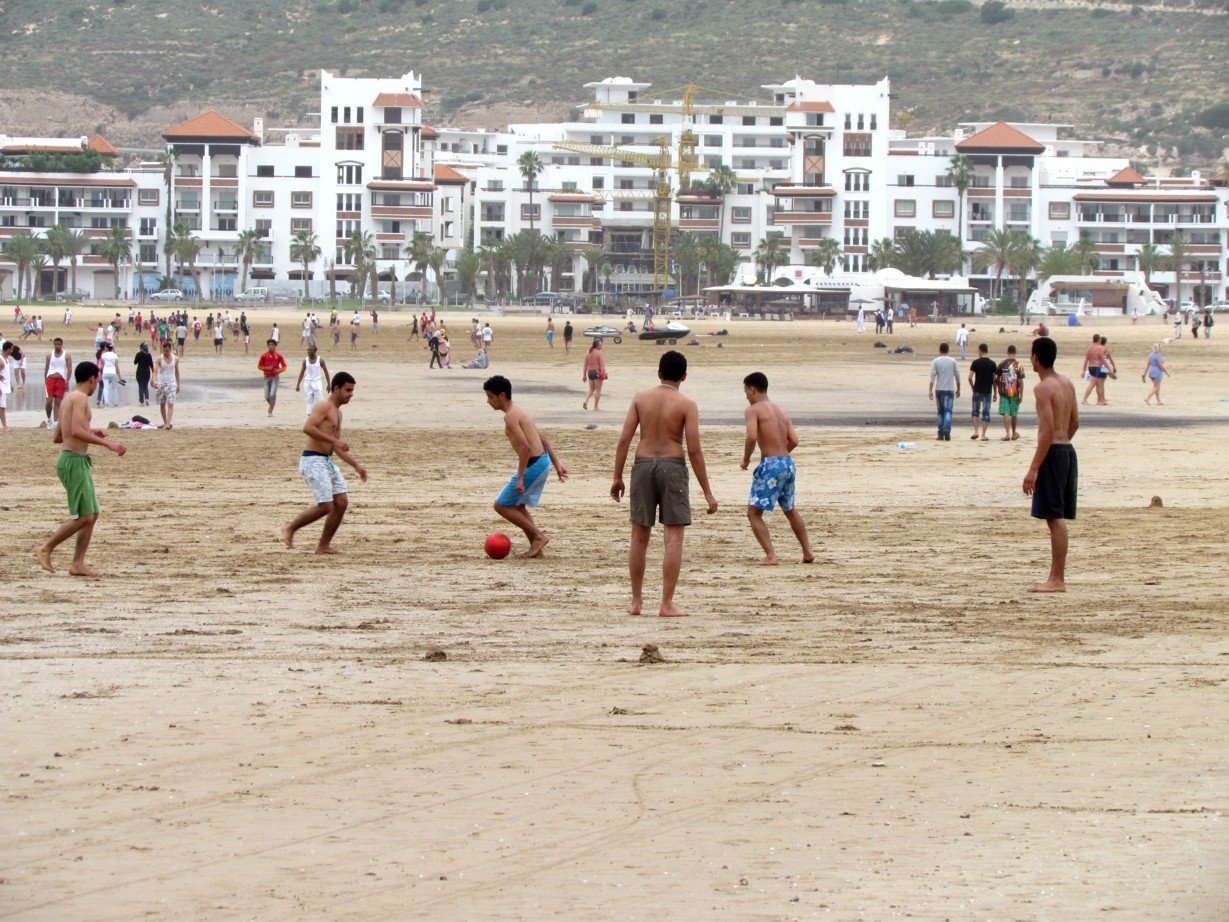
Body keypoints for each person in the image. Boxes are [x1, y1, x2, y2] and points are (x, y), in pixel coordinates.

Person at [610, 351, 718, 617]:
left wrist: (617, 476)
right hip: (673, 466)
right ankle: (666, 604)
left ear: (658, 373)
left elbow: (624, 439)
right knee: (673, 536)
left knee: (639, 535)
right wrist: (707, 492)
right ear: (684, 376)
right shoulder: (687, 404)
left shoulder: (640, 398)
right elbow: (694, 450)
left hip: (643, 464)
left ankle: (636, 602)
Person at [34, 361, 127, 577]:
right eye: (98, 379)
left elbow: (59, 436)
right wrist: (108, 444)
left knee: (92, 514)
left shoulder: (69, 398)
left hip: (74, 459)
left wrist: (90, 430)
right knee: (84, 516)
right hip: (73, 461)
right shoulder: (81, 398)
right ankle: (46, 548)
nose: (97, 384)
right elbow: (75, 431)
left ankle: (78, 564)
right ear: (93, 379)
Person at [281, 371, 368, 554]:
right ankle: (290, 528)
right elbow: (308, 428)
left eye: (352, 390)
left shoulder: (338, 413)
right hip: (312, 460)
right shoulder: (324, 406)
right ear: (336, 389)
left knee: (342, 502)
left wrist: (356, 465)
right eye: (348, 390)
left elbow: (336, 447)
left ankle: (323, 545)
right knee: (326, 506)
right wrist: (334, 440)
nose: (351, 394)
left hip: (326, 461)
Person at [483, 374, 568, 558]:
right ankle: (536, 548)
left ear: (502, 396)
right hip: (542, 461)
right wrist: (557, 463)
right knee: (518, 506)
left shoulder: (511, 417)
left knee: (501, 505)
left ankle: (538, 537)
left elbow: (525, 447)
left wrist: (520, 478)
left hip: (534, 464)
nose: (488, 401)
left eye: (491, 396)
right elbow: (543, 439)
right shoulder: (521, 411)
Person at [1022, 337, 1079, 593]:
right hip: (1067, 450)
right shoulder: (1067, 383)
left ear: (1035, 357)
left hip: (1054, 453)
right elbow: (1074, 423)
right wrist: (1062, 442)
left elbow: (1046, 431)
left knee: (1055, 518)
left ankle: (1057, 579)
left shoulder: (1043, 388)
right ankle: (1056, 577)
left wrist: (1034, 468)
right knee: (1056, 516)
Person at [740, 372, 814, 566]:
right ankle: (807, 551)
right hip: (787, 463)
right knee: (790, 509)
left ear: (752, 389)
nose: (746, 396)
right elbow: (794, 441)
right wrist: (781, 457)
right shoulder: (780, 410)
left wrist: (746, 460)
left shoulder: (753, 410)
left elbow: (752, 437)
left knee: (753, 513)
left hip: (771, 464)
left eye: (746, 391)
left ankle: (771, 555)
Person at [928, 342, 960, 441]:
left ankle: (940, 433)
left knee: (940, 412)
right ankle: (947, 429)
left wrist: (930, 389)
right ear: (948, 350)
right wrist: (959, 388)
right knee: (948, 411)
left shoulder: (936, 361)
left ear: (939, 350)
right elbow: (957, 375)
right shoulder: (953, 361)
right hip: (949, 389)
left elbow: (932, 376)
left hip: (939, 389)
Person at [968, 343, 997, 441]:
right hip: (987, 391)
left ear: (980, 350)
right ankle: (983, 435)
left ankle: (976, 431)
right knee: (986, 412)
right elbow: (994, 380)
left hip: (977, 389)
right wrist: (996, 392)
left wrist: (973, 387)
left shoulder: (975, 362)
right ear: (987, 350)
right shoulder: (992, 364)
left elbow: (970, 378)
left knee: (975, 412)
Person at [997, 344, 1026, 441]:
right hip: (1014, 392)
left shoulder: (1002, 364)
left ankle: (1007, 434)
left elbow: (997, 378)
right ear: (1015, 353)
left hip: (1004, 391)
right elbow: (1021, 381)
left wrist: (997, 388)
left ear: (1007, 352)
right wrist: (1021, 395)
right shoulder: (1019, 365)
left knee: (1006, 412)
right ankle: (1014, 433)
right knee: (1014, 413)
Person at [43, 337, 72, 429]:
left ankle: (56, 421)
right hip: (50, 379)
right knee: (49, 401)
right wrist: (45, 380)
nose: (57, 346)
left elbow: (69, 369)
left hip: (61, 380)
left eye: (59, 344)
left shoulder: (66, 355)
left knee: (58, 402)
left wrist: (67, 381)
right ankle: (49, 419)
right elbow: (46, 369)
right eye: (55, 344)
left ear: (61, 344)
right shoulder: (49, 355)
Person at [295, 343, 330, 413]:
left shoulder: (320, 360)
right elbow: (302, 372)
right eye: (308, 350)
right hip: (308, 382)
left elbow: (326, 372)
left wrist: (329, 384)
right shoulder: (305, 361)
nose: (308, 351)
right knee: (309, 400)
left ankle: (321, 413)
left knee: (319, 399)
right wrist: (298, 384)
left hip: (317, 381)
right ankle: (310, 416)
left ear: (314, 351)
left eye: (310, 350)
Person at [257, 339, 288, 416]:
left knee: (272, 394)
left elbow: (284, 366)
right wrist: (266, 368)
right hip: (266, 377)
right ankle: (272, 404)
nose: (271, 347)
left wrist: (279, 370)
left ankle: (270, 411)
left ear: (275, 346)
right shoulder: (264, 356)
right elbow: (259, 366)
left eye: (272, 345)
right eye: (269, 345)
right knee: (267, 396)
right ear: (267, 346)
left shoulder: (278, 356)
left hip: (275, 377)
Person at [153, 340, 180, 428]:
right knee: (162, 404)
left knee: (170, 403)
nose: (165, 352)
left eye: (167, 350)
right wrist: (154, 380)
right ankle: (165, 422)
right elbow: (155, 371)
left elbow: (177, 371)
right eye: (163, 350)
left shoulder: (175, 359)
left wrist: (178, 384)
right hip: (161, 383)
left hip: (172, 383)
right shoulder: (159, 359)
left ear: (170, 349)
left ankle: (168, 423)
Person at [1080, 333, 1108, 406]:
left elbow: (1086, 360)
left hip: (1091, 367)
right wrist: (1108, 368)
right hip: (1097, 367)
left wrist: (1083, 370)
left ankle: (1100, 400)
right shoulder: (1099, 348)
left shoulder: (1090, 348)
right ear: (1098, 340)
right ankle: (1084, 399)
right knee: (1093, 384)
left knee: (1097, 384)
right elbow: (1103, 360)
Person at [582, 338, 607, 410]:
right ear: (597, 345)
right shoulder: (599, 353)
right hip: (597, 372)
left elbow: (585, 366)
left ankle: (585, 400)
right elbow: (602, 365)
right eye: (600, 344)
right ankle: (595, 406)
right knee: (598, 390)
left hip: (590, 373)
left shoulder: (588, 352)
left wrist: (584, 375)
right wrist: (603, 374)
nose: (602, 345)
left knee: (591, 389)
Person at [99, 343, 122, 408]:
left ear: (106, 348)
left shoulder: (103, 355)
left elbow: (102, 365)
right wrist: (119, 375)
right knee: (114, 387)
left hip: (105, 372)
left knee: (106, 387)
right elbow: (117, 366)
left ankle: (106, 401)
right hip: (113, 372)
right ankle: (116, 402)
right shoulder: (115, 355)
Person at [0, 340, 10, 431]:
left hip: (4, 385)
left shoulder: (6, 359)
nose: (12, 350)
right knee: (2, 407)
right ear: (8, 349)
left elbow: (6, 373)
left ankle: (4, 426)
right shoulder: (1, 360)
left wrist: (10, 384)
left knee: (2, 406)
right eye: (12, 349)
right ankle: (5, 426)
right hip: (0, 386)